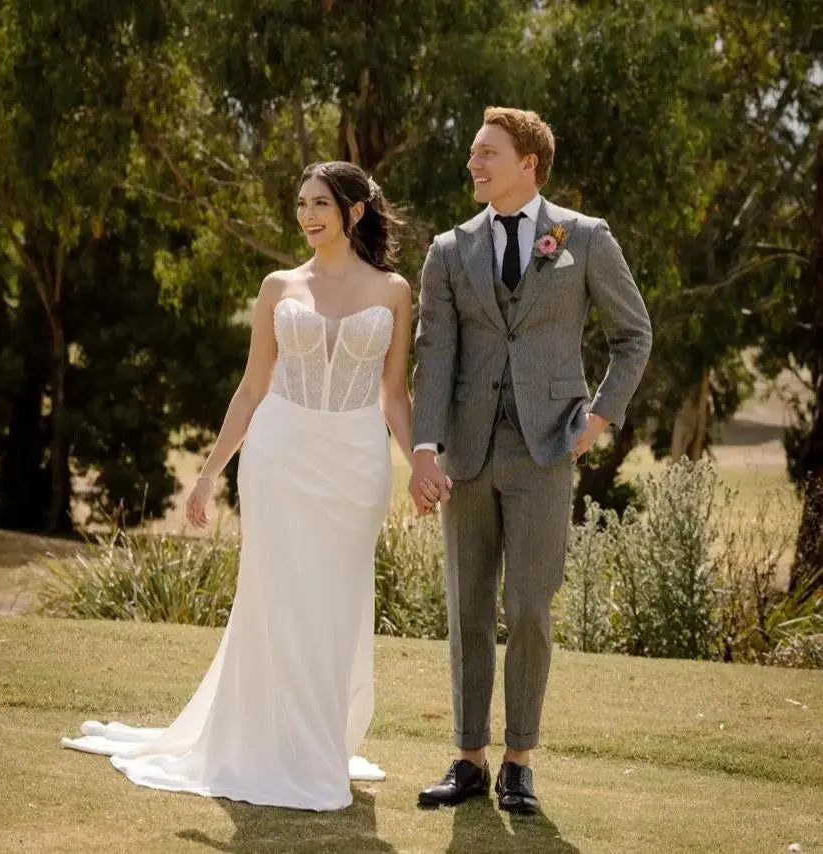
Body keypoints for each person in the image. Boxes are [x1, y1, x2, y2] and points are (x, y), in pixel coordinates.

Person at [62, 161, 415, 812]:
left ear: (354, 212)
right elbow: (253, 389)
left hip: (356, 462)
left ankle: (319, 748)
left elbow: (394, 396)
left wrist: (420, 459)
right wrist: (207, 473)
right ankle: (272, 749)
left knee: (335, 605)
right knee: (276, 601)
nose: (307, 215)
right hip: (280, 457)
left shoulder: (394, 291)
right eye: (301, 204)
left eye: (320, 204)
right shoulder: (278, 285)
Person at [410, 107, 652, 814]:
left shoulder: (584, 238)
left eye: (487, 154)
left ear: (528, 163)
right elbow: (436, 355)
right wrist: (425, 449)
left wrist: (600, 416)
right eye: (472, 155)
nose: (473, 166)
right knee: (467, 607)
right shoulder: (449, 250)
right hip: (468, 450)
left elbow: (633, 335)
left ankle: (519, 760)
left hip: (547, 449)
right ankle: (467, 759)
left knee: (528, 607)